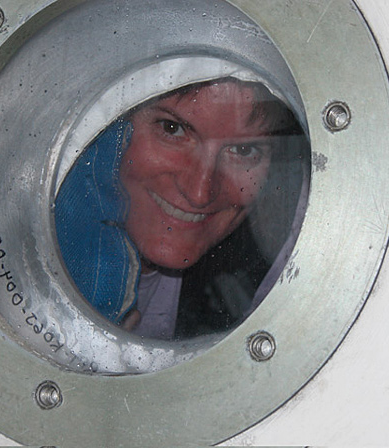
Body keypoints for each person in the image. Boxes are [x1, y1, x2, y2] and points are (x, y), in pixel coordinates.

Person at [55, 77, 305, 340]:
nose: (199, 192)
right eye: (172, 128)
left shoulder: (254, 283)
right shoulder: (35, 259)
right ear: (108, 126)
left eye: (244, 150)